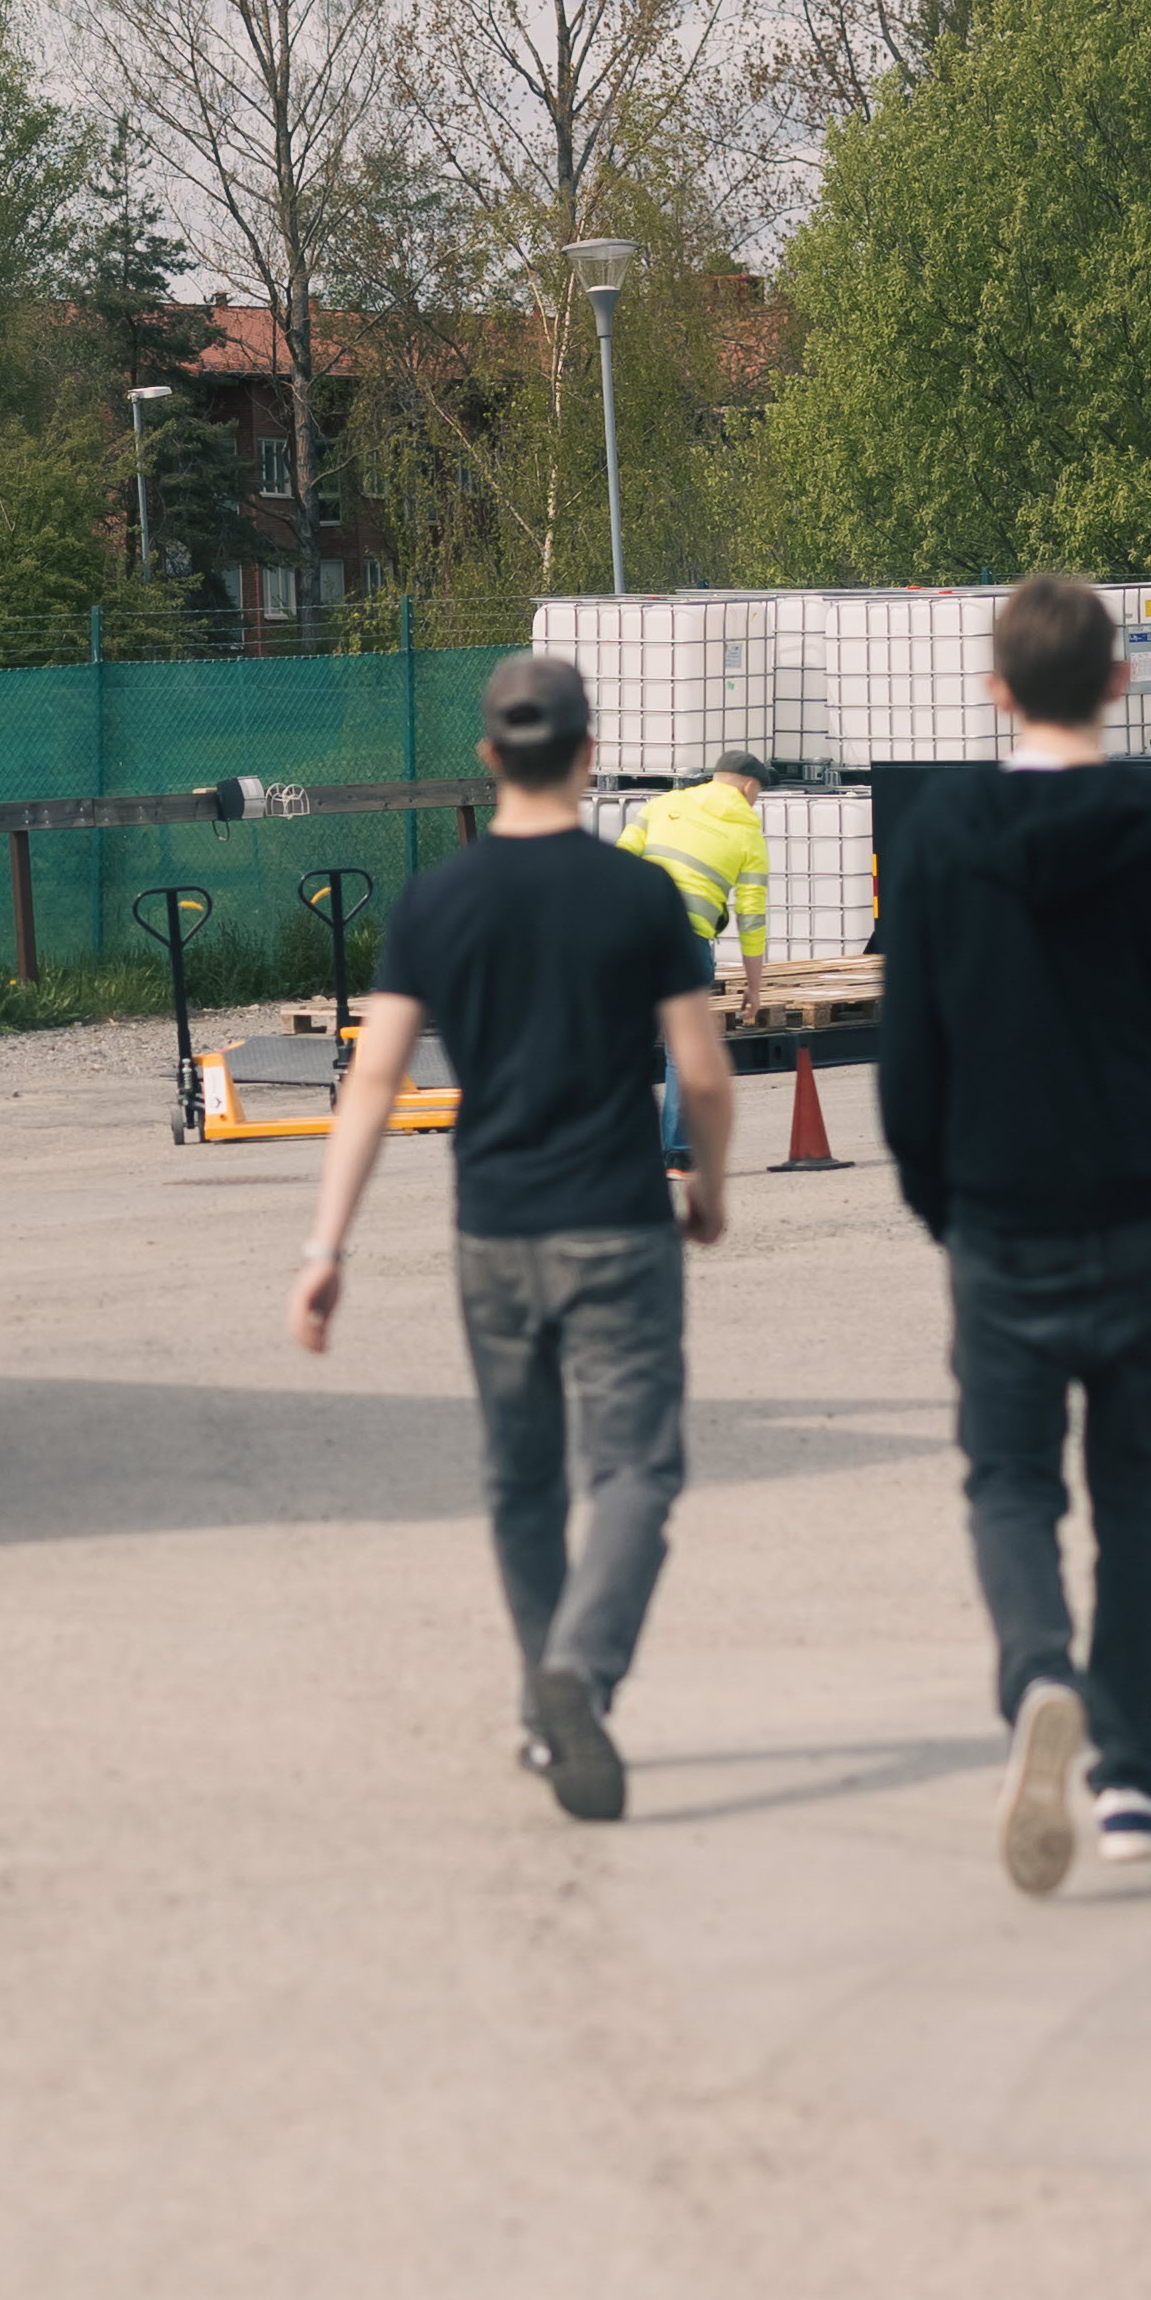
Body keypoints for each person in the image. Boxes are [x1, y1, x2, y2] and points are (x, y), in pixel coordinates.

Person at [873, 575, 1151, 1897]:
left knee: (1007, 1483)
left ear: (997, 688)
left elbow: (909, 1051)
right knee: (1136, 1502)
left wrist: (941, 1200)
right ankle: (1127, 1782)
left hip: (1003, 1220)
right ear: (1119, 685)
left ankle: (1038, 1669)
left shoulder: (939, 834)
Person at [282, 650, 738, 1823]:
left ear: (489, 759)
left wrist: (325, 1249)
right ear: (589, 756)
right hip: (620, 1225)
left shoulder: (438, 901)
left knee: (519, 1478)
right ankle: (579, 1674)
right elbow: (703, 1069)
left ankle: (549, 1709)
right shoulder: (640, 897)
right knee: (637, 1468)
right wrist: (710, 1185)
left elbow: (373, 1079)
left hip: (492, 1229)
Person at [630, 746, 774, 1156]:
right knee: (683, 1050)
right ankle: (678, 1152)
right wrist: (754, 985)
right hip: (685, 942)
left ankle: (617, 1153)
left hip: (633, 936)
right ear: (749, 786)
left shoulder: (663, 804)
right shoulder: (749, 833)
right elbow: (751, 917)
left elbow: (621, 857)